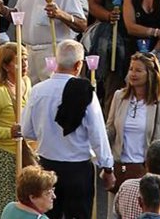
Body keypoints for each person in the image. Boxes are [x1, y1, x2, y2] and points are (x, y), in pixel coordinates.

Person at [20, 38, 116, 219]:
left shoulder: (38, 90)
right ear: (79, 65)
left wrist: (45, 133)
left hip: (46, 165)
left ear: (56, 61)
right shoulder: (85, 92)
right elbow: (97, 133)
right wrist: (107, 167)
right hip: (78, 170)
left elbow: (26, 130)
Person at [0, 41, 33, 219]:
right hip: (0, 156)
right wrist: (8, 132)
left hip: (23, 153)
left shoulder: (26, 83)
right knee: (3, 204)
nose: (24, 64)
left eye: (25, 59)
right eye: (19, 61)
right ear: (5, 65)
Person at [106, 54, 160, 185]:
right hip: (120, 169)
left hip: (146, 172)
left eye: (138, 70)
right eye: (131, 69)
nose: (133, 74)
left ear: (151, 74)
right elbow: (110, 129)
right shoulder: (119, 97)